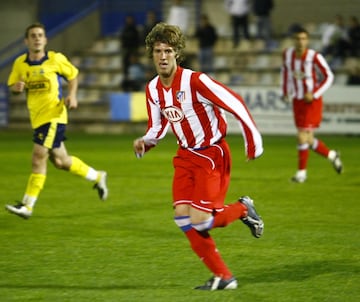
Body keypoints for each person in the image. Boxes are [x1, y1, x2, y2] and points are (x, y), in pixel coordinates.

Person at [133, 22, 264, 290]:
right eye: (157, 51)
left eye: (168, 50)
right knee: (183, 218)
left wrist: (253, 138)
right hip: (185, 156)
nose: (163, 56)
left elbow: (235, 102)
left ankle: (242, 209)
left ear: (177, 53)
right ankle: (224, 278)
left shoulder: (195, 81)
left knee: (200, 221)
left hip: (212, 154)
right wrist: (146, 142)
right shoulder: (153, 89)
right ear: (152, 54)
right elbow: (158, 126)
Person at [5, 22, 108, 219]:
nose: (37, 38)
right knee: (61, 161)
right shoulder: (20, 64)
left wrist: (73, 95)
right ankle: (97, 176)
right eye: (33, 35)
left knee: (38, 156)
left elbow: (73, 76)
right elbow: (12, 85)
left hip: (54, 115)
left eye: (40, 35)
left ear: (45, 39)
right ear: (26, 41)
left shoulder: (55, 59)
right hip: (37, 118)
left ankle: (27, 205)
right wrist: (16, 88)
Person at [281, 27, 343, 183]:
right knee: (308, 138)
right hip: (297, 100)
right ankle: (332, 155)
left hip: (311, 102)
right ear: (294, 40)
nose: (300, 42)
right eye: (297, 38)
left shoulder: (314, 57)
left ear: (307, 40)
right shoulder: (287, 55)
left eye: (303, 39)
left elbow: (329, 76)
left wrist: (314, 93)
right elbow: (286, 73)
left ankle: (301, 174)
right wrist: (285, 91)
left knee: (302, 136)